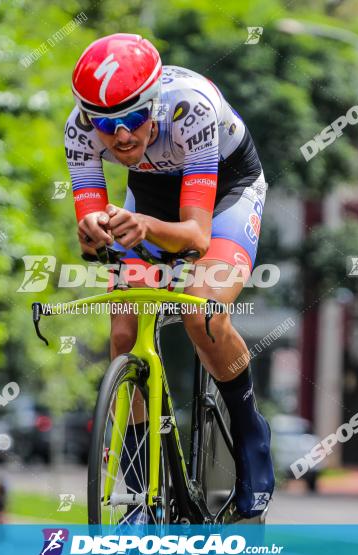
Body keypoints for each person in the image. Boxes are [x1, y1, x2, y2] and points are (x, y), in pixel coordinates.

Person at [65, 33, 274, 518]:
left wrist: (146, 230)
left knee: (201, 313)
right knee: (123, 330)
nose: (120, 137)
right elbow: (92, 242)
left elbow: (197, 237)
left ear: (154, 103)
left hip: (225, 190)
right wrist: (93, 231)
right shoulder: (78, 129)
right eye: (106, 124)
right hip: (152, 196)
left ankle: (251, 436)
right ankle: (138, 489)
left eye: (134, 119)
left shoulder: (190, 108)